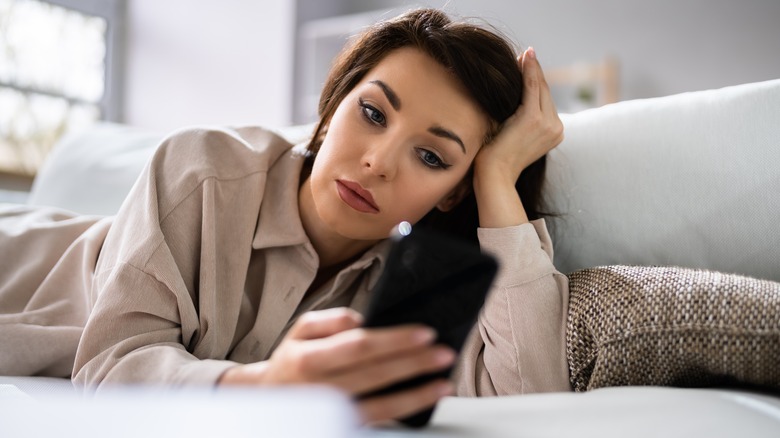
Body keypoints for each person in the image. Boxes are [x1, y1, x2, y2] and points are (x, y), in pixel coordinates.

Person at [0, 8, 567, 423]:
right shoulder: (203, 168)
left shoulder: (410, 289)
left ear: (452, 192)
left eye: (431, 156)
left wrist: (496, 178)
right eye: (372, 112)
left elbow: (532, 396)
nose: (377, 162)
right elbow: (109, 366)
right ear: (331, 108)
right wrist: (266, 384)